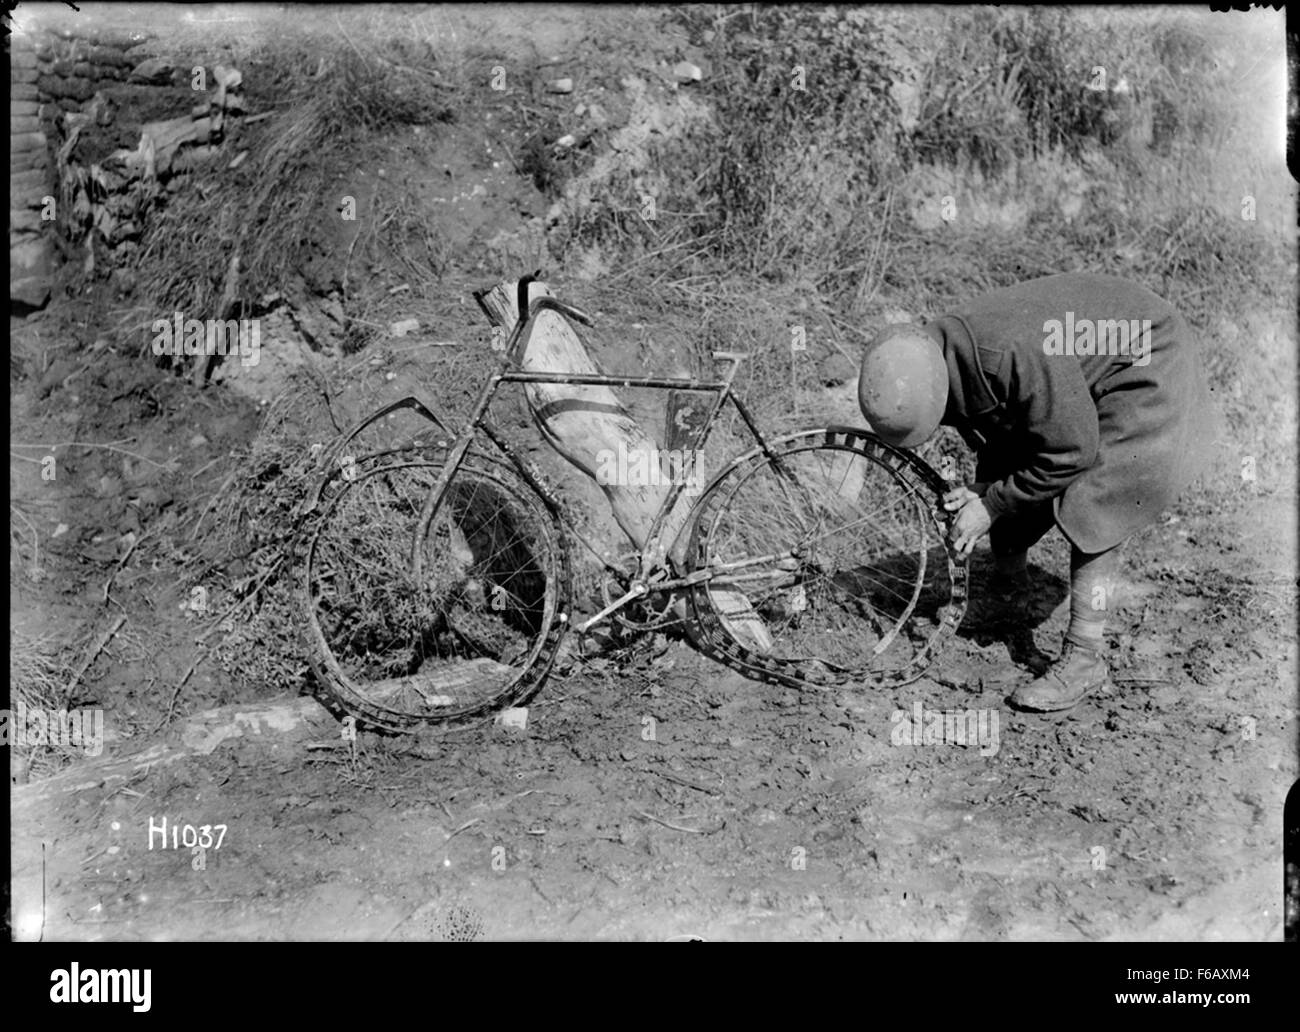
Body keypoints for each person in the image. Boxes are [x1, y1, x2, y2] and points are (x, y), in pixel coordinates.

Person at [857, 272, 1217, 711]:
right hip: (1073, 356)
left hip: (1145, 355)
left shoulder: (1009, 357)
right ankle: (1009, 599)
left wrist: (991, 503)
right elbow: (1015, 431)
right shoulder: (937, 352)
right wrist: (990, 488)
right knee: (1002, 463)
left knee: (1096, 500)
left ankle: (1085, 657)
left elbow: (1070, 451)